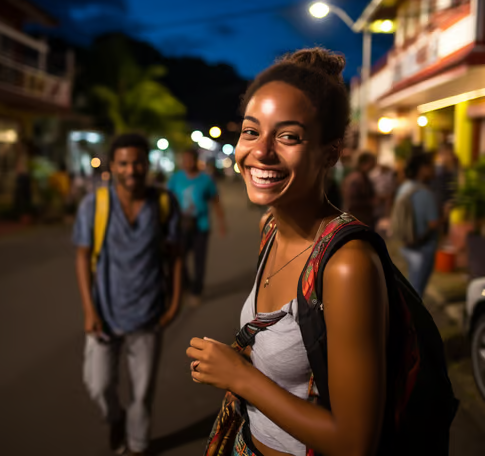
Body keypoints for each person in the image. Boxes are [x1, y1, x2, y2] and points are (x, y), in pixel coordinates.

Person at [186, 48, 392, 456]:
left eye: (289, 136)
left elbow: (355, 443)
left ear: (330, 152)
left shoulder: (347, 265)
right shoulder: (271, 227)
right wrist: (242, 355)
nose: (260, 152)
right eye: (250, 131)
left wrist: (240, 378)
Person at [73, 133, 182, 456]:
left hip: (149, 315)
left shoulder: (163, 204)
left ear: (146, 164)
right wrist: (89, 311)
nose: (131, 170)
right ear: (112, 166)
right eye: (123, 163)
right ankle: (115, 418)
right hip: (104, 316)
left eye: (137, 162)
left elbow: (175, 256)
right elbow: (82, 256)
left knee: (143, 392)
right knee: (98, 385)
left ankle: (137, 445)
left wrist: (174, 304)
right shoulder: (95, 205)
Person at [168, 148, 226, 307]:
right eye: (184, 160)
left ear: (196, 160)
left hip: (201, 226)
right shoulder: (176, 178)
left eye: (189, 159)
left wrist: (222, 223)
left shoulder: (205, 180)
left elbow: (215, 201)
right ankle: (186, 284)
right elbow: (167, 199)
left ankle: (196, 291)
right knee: (179, 258)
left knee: (199, 261)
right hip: (181, 225)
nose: (186, 163)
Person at [396, 152, 440, 297]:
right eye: (431, 166)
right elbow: (433, 224)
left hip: (406, 245)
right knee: (417, 292)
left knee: (411, 286)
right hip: (422, 248)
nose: (434, 169)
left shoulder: (404, 187)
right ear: (422, 169)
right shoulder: (425, 193)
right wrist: (444, 215)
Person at [342, 151, 376, 228]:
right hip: (358, 219)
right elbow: (351, 202)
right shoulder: (357, 179)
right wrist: (370, 202)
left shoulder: (360, 177)